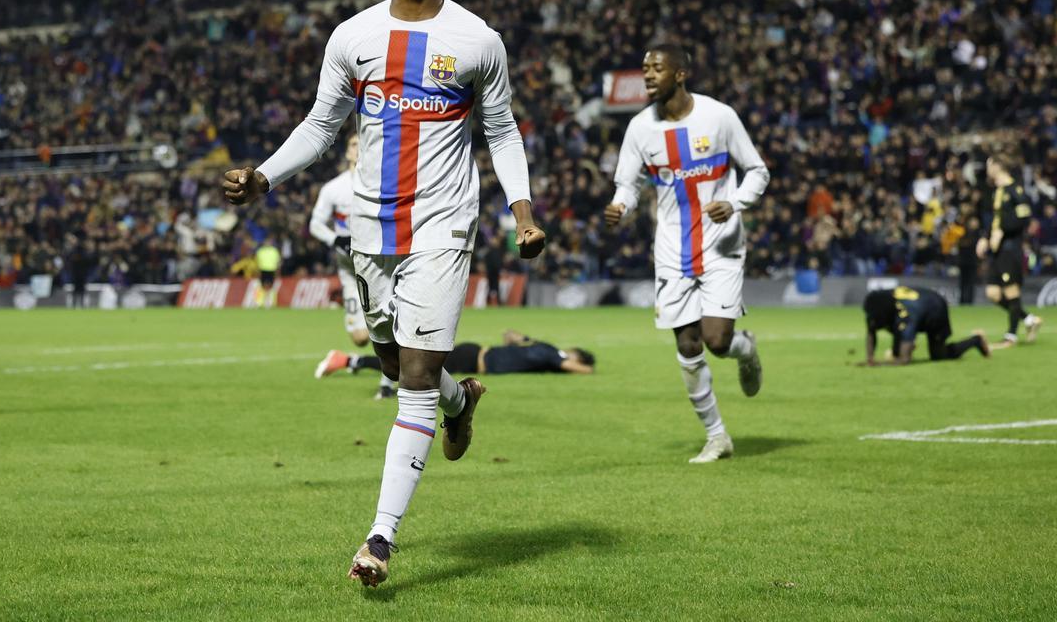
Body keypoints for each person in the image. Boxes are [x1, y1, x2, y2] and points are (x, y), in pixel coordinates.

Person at [221, 0, 545, 587]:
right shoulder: (354, 36)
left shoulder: (478, 40)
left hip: (442, 224)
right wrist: (264, 177)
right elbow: (320, 125)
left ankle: (380, 539)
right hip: (369, 227)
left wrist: (521, 210)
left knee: (415, 383)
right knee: (395, 362)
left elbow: (503, 130)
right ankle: (463, 404)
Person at [603, 43, 770, 464]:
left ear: (680, 73)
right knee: (688, 345)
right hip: (672, 249)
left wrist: (735, 203)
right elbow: (629, 183)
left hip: (721, 244)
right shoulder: (640, 129)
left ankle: (744, 348)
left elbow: (757, 170)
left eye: (657, 68)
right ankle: (717, 436)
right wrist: (622, 205)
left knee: (717, 340)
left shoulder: (719, 116)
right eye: (645, 68)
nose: (648, 75)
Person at [310, 135, 397, 400]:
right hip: (348, 269)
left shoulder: (382, 183)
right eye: (353, 145)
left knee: (389, 323)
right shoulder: (333, 188)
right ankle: (350, 360)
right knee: (360, 337)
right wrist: (334, 238)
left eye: (363, 144)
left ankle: (387, 382)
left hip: (380, 265)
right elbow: (315, 224)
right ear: (347, 152)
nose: (358, 149)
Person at [318, 329, 596, 377]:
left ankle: (350, 361)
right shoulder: (554, 355)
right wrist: (583, 366)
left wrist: (516, 338)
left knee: (412, 364)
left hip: (474, 354)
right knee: (412, 367)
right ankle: (347, 360)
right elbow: (579, 368)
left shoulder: (542, 347)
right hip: (472, 359)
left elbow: (514, 337)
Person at [977, 152, 1041, 346]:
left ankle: (1011, 336)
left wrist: (1001, 232)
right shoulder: (997, 190)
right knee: (993, 293)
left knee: (1011, 292)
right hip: (997, 249)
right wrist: (985, 238)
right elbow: (996, 221)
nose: (987, 170)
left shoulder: (1015, 189)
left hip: (1010, 249)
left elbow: (1023, 218)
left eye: (989, 165)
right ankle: (1030, 320)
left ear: (997, 166)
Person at [862, 286, 991, 365]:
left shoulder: (906, 313)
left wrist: (883, 364)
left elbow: (904, 360)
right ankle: (905, 345)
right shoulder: (880, 304)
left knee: (939, 355)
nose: (871, 321)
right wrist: (870, 359)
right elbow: (871, 329)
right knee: (897, 348)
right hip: (917, 306)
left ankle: (976, 340)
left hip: (935, 309)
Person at [253, 239, 281, 309]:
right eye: (266, 242)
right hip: (263, 269)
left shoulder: (274, 251)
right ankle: (259, 303)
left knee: (271, 286)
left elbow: (278, 261)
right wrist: (257, 270)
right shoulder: (260, 251)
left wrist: (277, 270)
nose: (267, 243)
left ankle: (271, 303)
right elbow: (257, 261)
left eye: (269, 242)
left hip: (272, 269)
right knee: (262, 286)